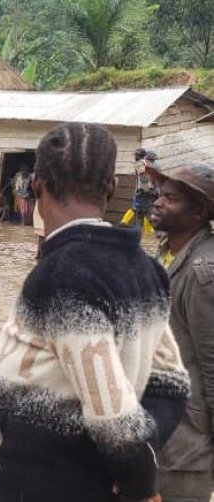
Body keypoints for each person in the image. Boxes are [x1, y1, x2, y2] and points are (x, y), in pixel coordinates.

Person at [0, 122, 189, 501]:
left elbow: (113, 415)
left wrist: (138, 481)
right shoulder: (148, 270)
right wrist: (142, 456)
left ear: (36, 184)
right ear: (111, 188)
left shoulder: (61, 278)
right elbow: (172, 383)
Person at [147, 162, 214, 502]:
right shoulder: (165, 255)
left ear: (199, 211)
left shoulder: (205, 271)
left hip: (188, 443)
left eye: (171, 199)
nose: (158, 202)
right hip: (159, 429)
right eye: (161, 194)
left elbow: (212, 361)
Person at [121, 149, 159, 234]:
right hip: (146, 191)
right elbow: (145, 177)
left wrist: (146, 189)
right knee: (144, 212)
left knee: (143, 212)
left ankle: (156, 231)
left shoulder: (140, 163)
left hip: (143, 192)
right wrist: (149, 190)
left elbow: (143, 177)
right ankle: (156, 231)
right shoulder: (144, 163)